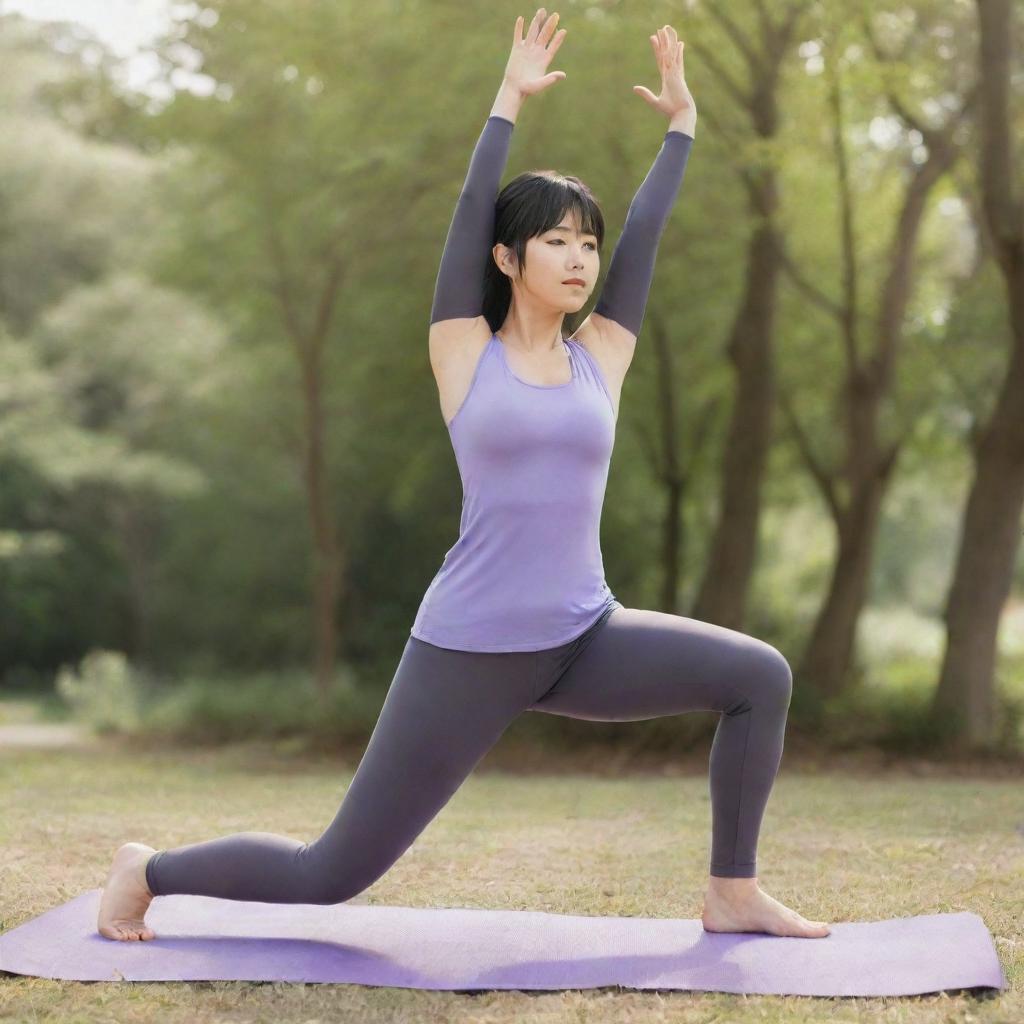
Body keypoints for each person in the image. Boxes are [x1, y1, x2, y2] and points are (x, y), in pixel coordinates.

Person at [98, 9, 830, 942]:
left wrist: (681, 126)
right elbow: (465, 213)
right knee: (331, 873)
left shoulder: (600, 354)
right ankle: (148, 868)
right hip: (470, 648)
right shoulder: (461, 351)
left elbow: (645, 235)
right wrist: (507, 101)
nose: (579, 258)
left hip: (583, 635)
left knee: (758, 676)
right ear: (507, 256)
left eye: (586, 243)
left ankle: (732, 891)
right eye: (556, 240)